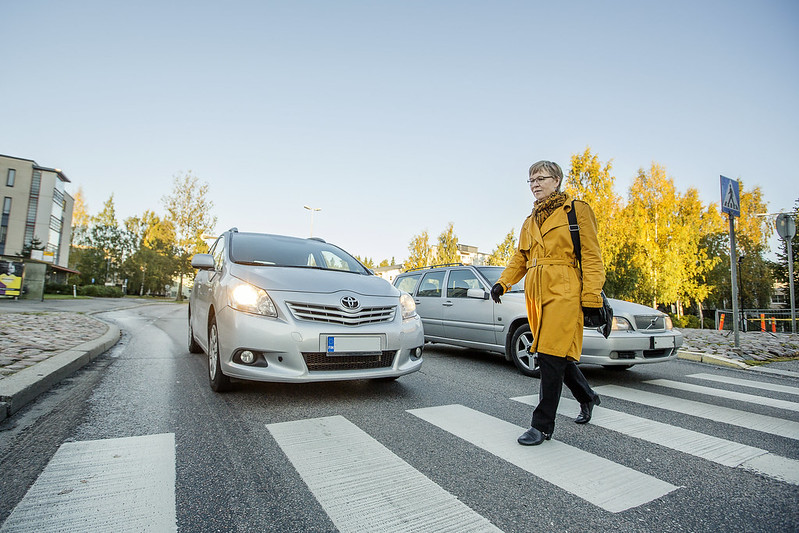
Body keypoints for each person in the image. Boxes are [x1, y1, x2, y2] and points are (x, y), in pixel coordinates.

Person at [491, 160, 606, 446]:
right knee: (555, 354)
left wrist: (591, 295)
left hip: (565, 286)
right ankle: (587, 397)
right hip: (536, 291)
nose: (535, 184)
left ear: (557, 180)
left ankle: (541, 426)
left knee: (549, 356)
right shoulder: (529, 221)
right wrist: (504, 282)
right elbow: (521, 258)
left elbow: (592, 255)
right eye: (531, 180)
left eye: (541, 178)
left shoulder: (577, 210)